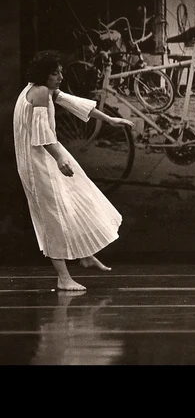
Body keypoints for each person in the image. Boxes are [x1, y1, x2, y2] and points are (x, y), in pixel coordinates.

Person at [12, 50, 133, 291]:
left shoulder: (43, 90)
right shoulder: (38, 92)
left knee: (78, 196)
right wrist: (58, 159)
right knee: (52, 216)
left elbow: (72, 102)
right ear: (43, 74)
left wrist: (109, 119)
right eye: (55, 73)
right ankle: (63, 278)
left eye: (60, 72)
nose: (60, 77)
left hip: (47, 155)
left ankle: (84, 254)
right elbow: (42, 133)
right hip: (39, 161)